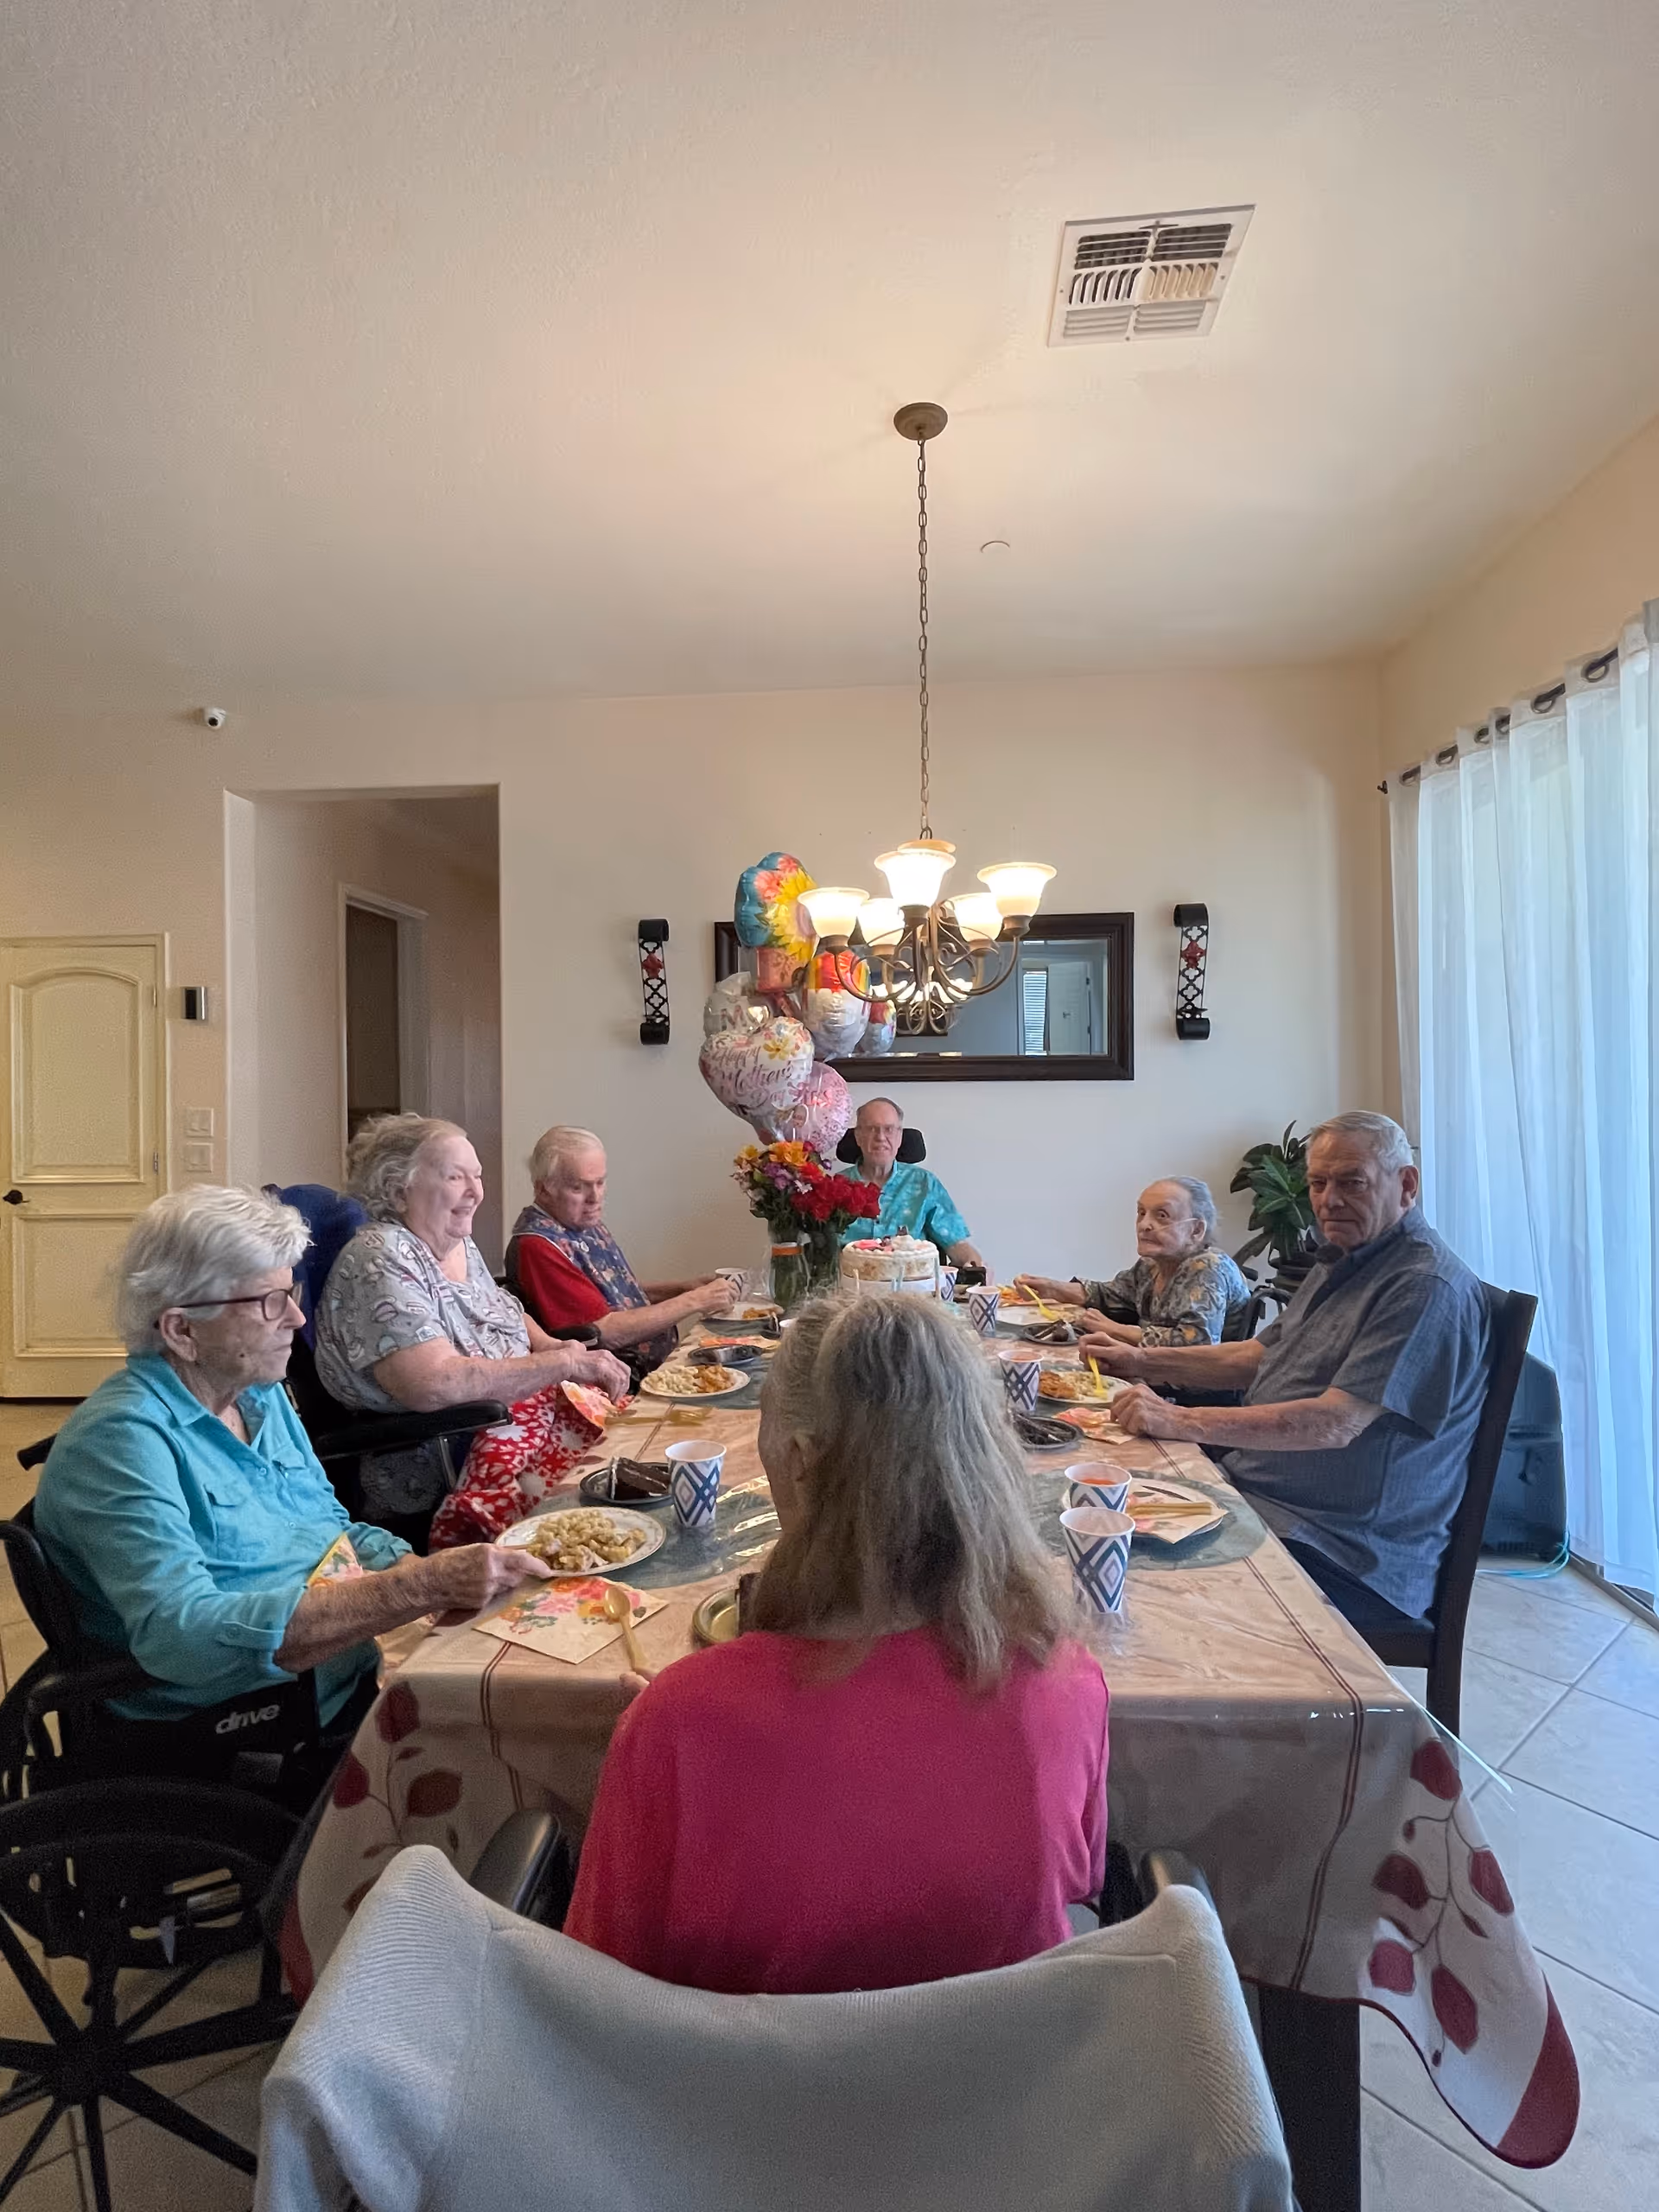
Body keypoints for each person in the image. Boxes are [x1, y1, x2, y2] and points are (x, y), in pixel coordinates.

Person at [563, 1293, 1109, 1995]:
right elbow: (1081, 1878)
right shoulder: (1065, 1677)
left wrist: (683, 1730)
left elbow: (604, 1983)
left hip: (737, 2096)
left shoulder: (675, 1724)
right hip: (994, 2088)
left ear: (798, 1459)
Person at [34, 1186, 553, 1749]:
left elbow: (332, 1531)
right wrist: (412, 1591)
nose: (296, 1317)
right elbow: (185, 1637)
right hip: (250, 1727)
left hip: (350, 1672)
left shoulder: (258, 1394)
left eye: (292, 1291)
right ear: (182, 1330)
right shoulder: (121, 1444)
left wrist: (429, 1577)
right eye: (268, 1301)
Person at [1079, 1114, 1490, 1629]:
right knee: (1093, 1514)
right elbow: (1255, 1356)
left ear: (1405, 1185)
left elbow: (1334, 1423)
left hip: (1342, 1549)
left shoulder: (1423, 1286)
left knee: (1128, 1585)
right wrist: (1138, 1360)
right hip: (1262, 1496)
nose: (1328, 1200)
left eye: (1351, 1182)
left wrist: (1182, 1421)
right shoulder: (1345, 1254)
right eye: (1318, 1183)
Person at [315, 1116, 630, 1531]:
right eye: (454, 1177)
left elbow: (503, 1306)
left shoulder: (454, 1240)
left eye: (476, 1176)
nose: (475, 1192)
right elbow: (433, 1383)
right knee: (611, 1506)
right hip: (450, 1448)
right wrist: (562, 1365)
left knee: (638, 1447)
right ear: (397, 1188)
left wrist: (549, 1345)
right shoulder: (380, 1258)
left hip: (518, 1418)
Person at [506, 1126, 736, 1370]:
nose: (595, 1198)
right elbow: (604, 1329)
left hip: (658, 1363)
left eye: (600, 1182)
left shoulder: (577, 1221)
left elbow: (613, 1296)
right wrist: (694, 1301)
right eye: (578, 1187)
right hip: (620, 1376)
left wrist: (682, 1288)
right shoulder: (538, 1246)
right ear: (543, 1189)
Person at [1018, 1178, 1250, 1345]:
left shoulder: (1208, 1268)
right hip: (1150, 1372)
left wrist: (1118, 1331)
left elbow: (1197, 1342)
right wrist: (1052, 1288)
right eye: (1141, 1213)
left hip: (1191, 1396)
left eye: (1162, 1216)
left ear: (1196, 1230)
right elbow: (1110, 1296)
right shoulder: (1152, 1264)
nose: (1144, 1225)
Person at [839, 1097, 984, 1268]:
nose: (880, 1137)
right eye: (872, 1129)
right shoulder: (835, 1187)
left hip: (912, 1288)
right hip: (849, 1287)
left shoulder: (924, 1184)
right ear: (858, 1136)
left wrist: (976, 1266)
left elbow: (957, 1244)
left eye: (889, 1129)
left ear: (900, 1137)